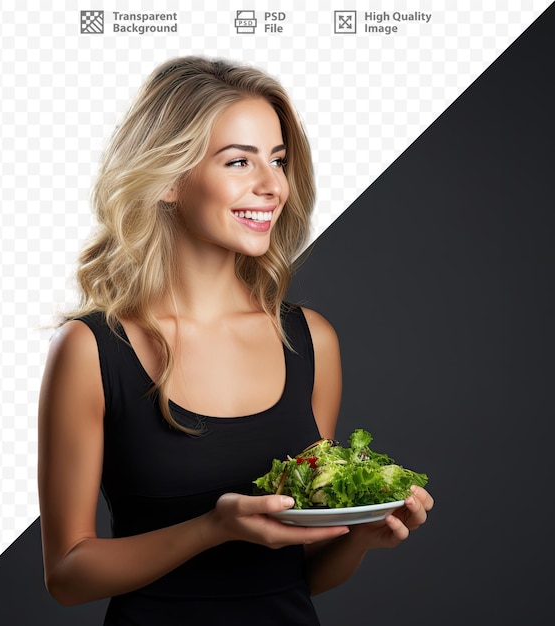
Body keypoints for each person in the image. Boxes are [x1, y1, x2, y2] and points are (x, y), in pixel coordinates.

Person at [37, 55, 433, 625]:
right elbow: (68, 576)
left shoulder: (310, 341)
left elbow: (303, 574)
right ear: (169, 178)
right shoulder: (91, 349)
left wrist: (360, 538)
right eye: (239, 161)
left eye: (277, 159)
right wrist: (211, 528)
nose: (272, 186)